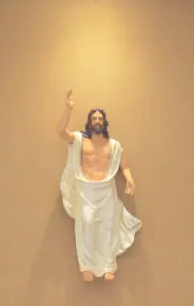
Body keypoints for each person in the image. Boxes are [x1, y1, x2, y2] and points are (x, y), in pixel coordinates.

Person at [57, 90, 140, 282]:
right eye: (93, 118)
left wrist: (129, 178)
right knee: (85, 224)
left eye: (99, 118)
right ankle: (86, 266)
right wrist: (68, 110)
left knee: (107, 227)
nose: (96, 121)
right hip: (86, 191)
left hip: (106, 191)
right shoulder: (79, 140)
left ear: (104, 122)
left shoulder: (114, 146)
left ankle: (108, 266)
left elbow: (124, 165)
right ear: (89, 121)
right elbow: (61, 132)